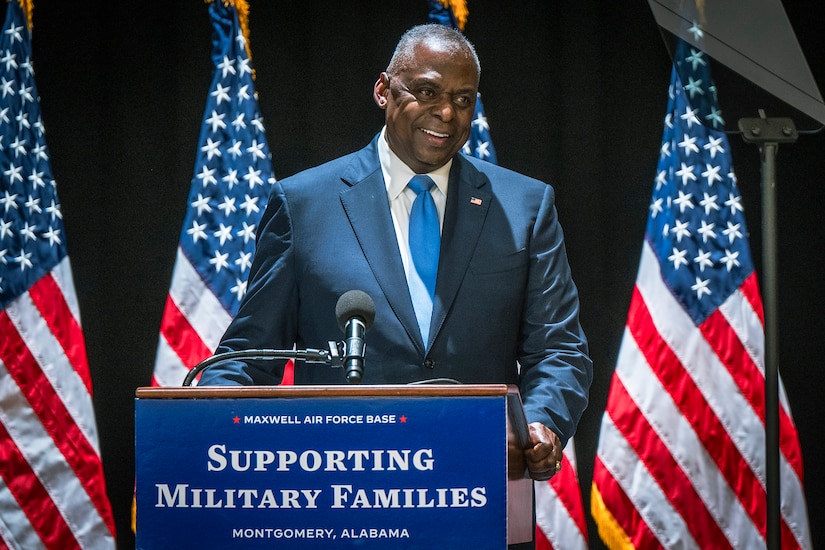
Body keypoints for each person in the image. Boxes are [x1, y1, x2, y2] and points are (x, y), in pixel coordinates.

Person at [198, 23, 592, 485]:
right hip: (340, 495)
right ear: (384, 90)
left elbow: (559, 348)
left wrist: (543, 422)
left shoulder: (524, 206)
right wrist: (201, 425)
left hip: (479, 488)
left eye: (463, 99)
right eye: (427, 91)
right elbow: (249, 355)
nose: (446, 112)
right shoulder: (305, 205)